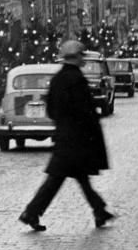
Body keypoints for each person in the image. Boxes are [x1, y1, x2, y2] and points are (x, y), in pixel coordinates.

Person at [18, 40, 114, 231]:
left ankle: (99, 210)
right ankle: (31, 212)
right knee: (62, 179)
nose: (83, 59)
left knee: (70, 178)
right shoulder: (76, 79)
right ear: (74, 57)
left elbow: (52, 110)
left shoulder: (58, 79)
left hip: (65, 137)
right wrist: (88, 130)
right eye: (80, 55)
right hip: (77, 139)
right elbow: (84, 110)